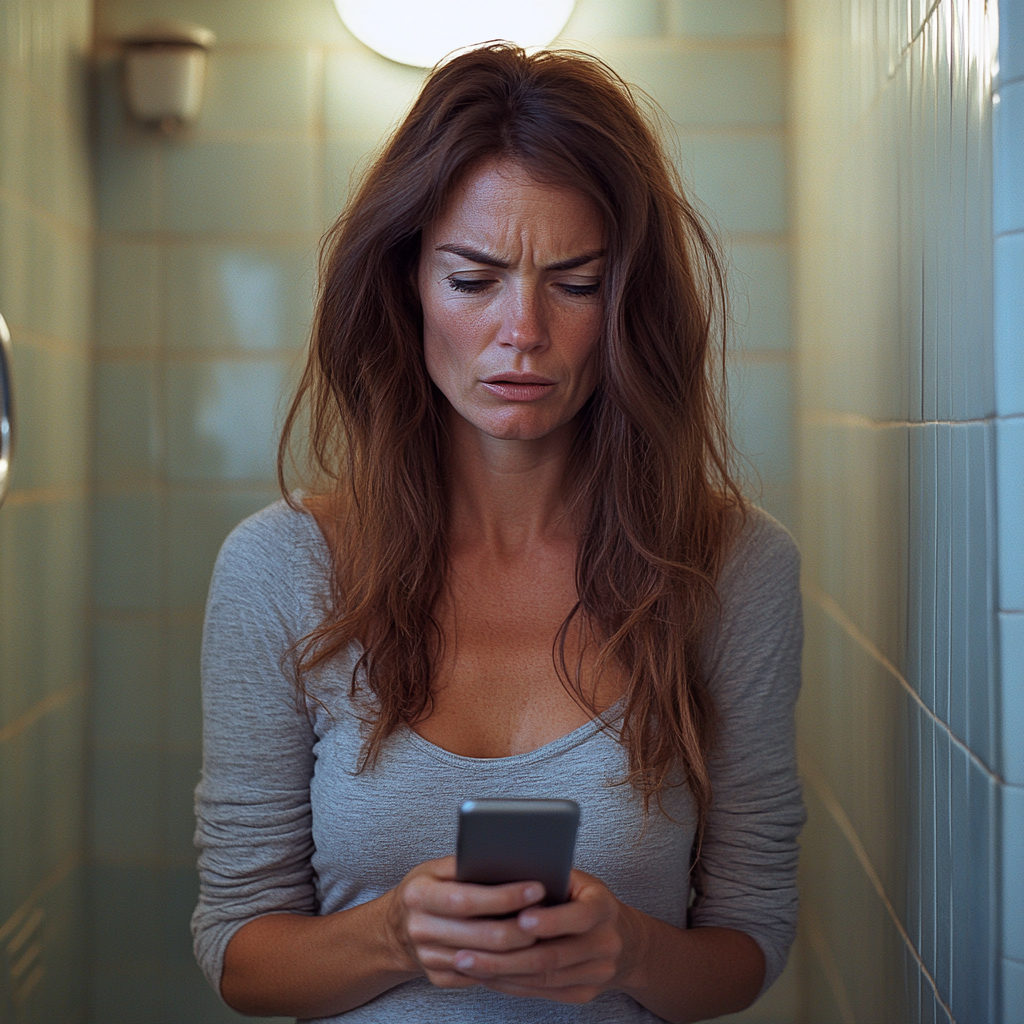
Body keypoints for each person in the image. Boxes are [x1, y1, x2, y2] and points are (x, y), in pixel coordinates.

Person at [192, 44, 804, 1024]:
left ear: (628, 302)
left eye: (574, 282)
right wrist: (394, 933)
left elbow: (750, 940)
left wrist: (634, 950)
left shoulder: (732, 569)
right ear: (406, 287)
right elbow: (239, 953)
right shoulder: (279, 567)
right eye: (473, 279)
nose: (521, 331)